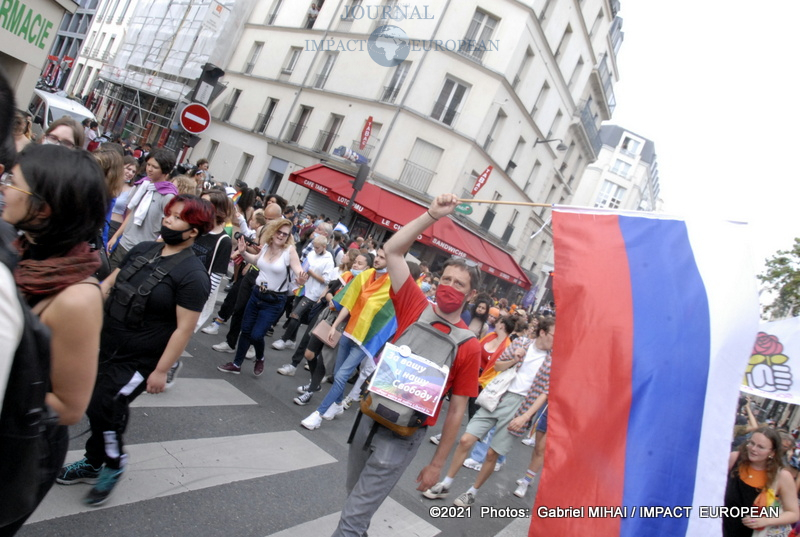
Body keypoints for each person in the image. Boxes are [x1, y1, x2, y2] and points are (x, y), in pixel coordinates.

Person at [330, 193, 482, 537]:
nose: (449, 287)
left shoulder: (469, 346)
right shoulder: (415, 304)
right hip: (369, 417)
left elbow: (457, 411)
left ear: (471, 295)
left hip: (402, 437)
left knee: (351, 519)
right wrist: (432, 214)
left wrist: (437, 464)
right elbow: (394, 250)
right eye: (446, 279)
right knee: (355, 501)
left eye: (459, 284)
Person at [56, 195, 213, 507]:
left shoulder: (194, 276)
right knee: (93, 402)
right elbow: (108, 286)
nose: (167, 220)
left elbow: (184, 329)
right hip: (105, 343)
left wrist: (161, 370)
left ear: (193, 231)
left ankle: (113, 463)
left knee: (107, 403)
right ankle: (94, 461)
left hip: (141, 360)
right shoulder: (143, 250)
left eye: (177, 217)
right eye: (168, 214)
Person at [1, 144, 107, 529]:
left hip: (18, 446)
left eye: (13, 183)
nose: (4, 188)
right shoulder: (19, 248)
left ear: (42, 209)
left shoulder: (77, 299)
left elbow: (69, 407)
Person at [422, 316, 554, 507]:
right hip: (498, 395)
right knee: (466, 439)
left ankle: (472, 492)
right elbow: (498, 365)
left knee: (493, 453)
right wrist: (515, 359)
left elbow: (545, 392)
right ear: (542, 332)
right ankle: (446, 483)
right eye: (554, 335)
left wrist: (526, 416)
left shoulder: (554, 359)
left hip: (522, 405)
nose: (557, 341)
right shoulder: (521, 343)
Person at [217, 218, 306, 376]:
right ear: (273, 231)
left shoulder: (289, 251)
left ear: (288, 237)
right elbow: (256, 261)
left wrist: (300, 279)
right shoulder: (266, 246)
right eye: (279, 232)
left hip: (274, 300)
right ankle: (236, 364)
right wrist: (243, 252)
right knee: (245, 330)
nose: (281, 235)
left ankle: (260, 357)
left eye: (285, 234)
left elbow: (298, 269)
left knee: (256, 335)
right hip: (257, 293)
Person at [108, 149, 178, 267]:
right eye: (148, 165)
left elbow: (167, 228)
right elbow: (131, 214)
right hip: (123, 244)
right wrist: (115, 236)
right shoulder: (142, 185)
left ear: (165, 170)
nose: (149, 169)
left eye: (155, 167)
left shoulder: (168, 196)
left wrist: (151, 250)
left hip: (143, 252)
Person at [724, 427, 799, 536]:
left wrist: (766, 520)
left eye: (761, 447)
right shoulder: (734, 458)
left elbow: (793, 514)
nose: (753, 449)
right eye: (752, 443)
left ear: (772, 452)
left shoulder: (782, 476)